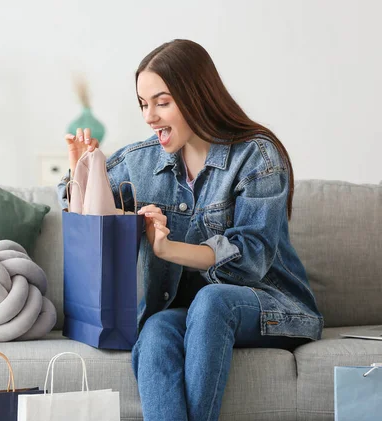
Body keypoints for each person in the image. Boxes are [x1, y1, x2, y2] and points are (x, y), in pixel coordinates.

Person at [58, 39, 323, 421]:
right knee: (154, 333)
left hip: (271, 304)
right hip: (190, 313)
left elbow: (249, 257)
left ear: (197, 96)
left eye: (161, 102)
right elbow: (81, 211)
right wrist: (80, 171)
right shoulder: (141, 160)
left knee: (213, 301)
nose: (149, 117)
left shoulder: (256, 156)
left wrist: (168, 249)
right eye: (143, 104)